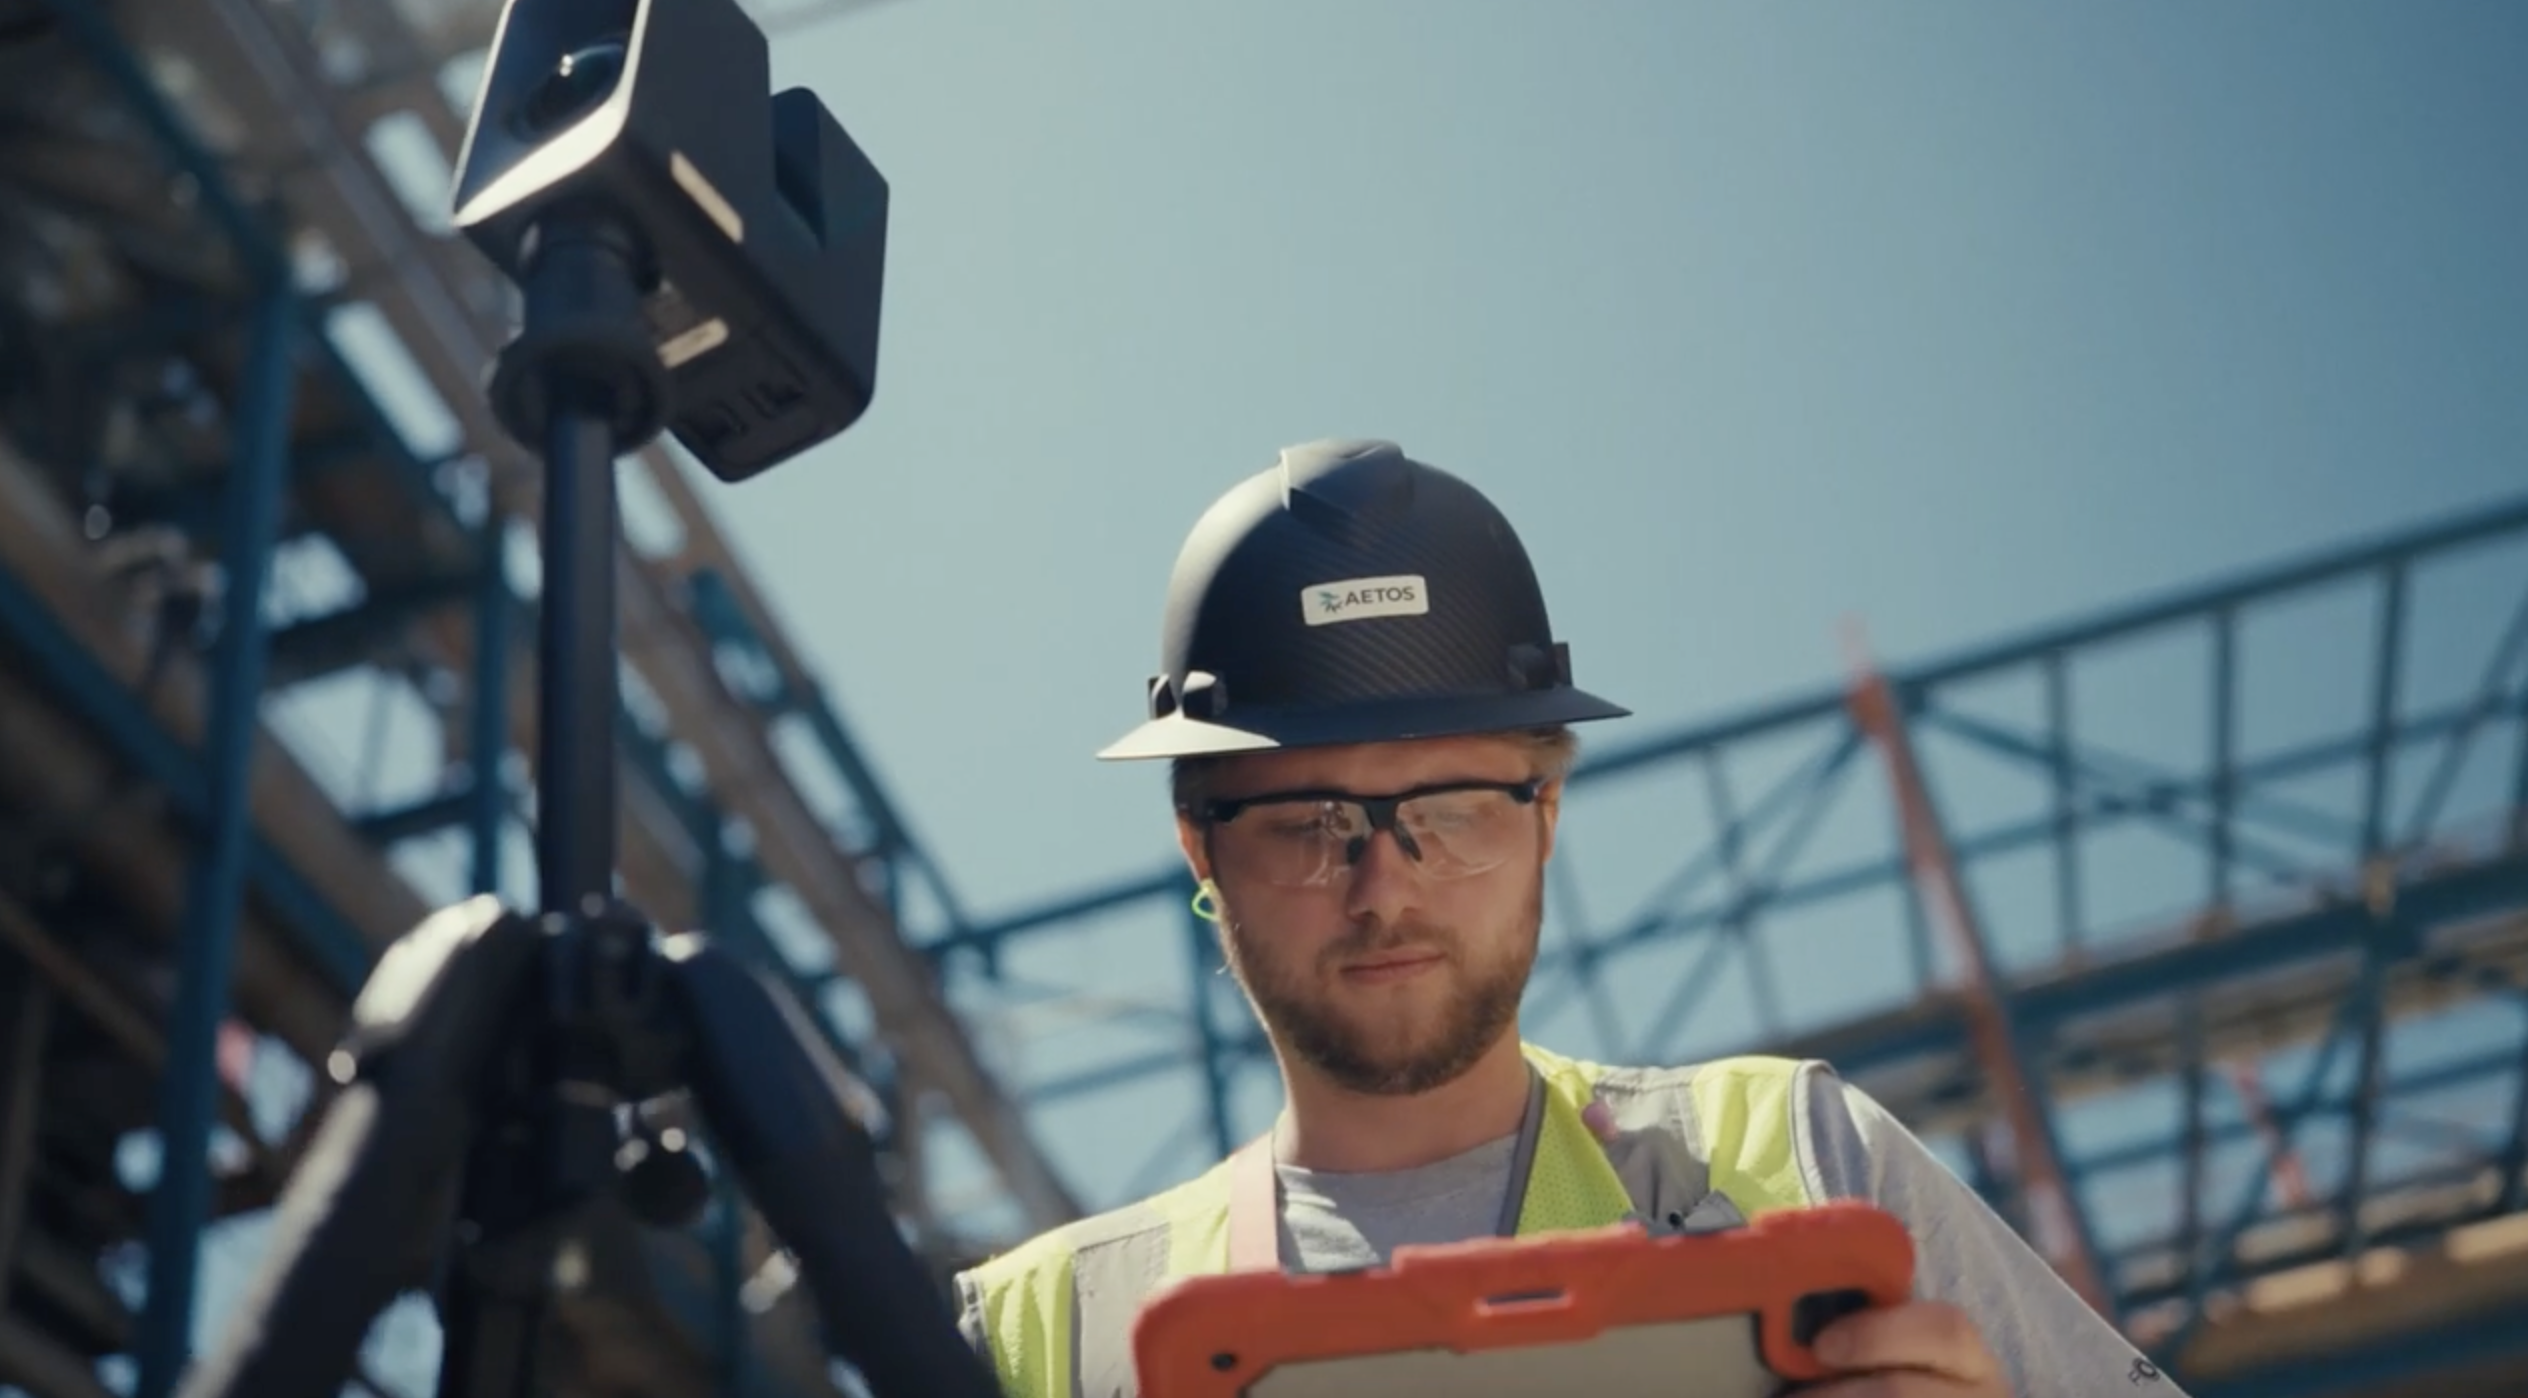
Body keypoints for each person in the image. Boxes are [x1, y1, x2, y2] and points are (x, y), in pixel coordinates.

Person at [950, 439, 2183, 1397]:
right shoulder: (1032, 1342)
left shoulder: (1807, 1167)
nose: (1383, 888)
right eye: (1304, 824)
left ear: (1546, 816)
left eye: (1451, 810)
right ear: (1197, 845)